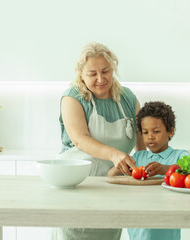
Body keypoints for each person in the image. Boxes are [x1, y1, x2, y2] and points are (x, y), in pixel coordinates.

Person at [52, 42, 145, 240]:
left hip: (114, 190)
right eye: (92, 74)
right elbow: (80, 140)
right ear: (81, 75)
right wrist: (115, 154)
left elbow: (142, 141)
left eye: (105, 71)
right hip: (77, 188)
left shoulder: (128, 98)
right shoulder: (73, 98)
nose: (101, 79)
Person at [108, 101, 189, 240]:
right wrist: (121, 164)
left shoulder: (180, 156)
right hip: (138, 226)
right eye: (145, 132)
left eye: (156, 131)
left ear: (170, 131)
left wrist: (165, 169)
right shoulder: (139, 157)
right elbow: (110, 176)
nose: (150, 136)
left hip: (167, 227)